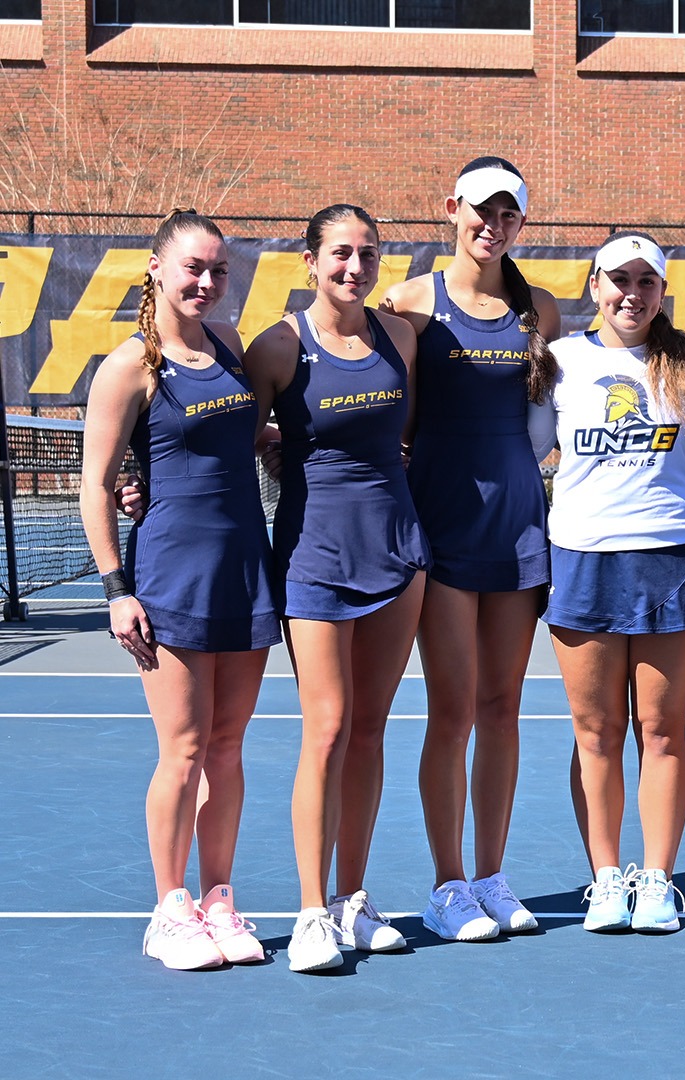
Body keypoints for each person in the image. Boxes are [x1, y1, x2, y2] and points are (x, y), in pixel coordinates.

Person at [80, 209, 278, 970]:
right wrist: (115, 590)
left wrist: (278, 441)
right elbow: (96, 486)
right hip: (170, 574)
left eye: (218, 270)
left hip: (245, 571)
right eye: (193, 267)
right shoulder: (130, 365)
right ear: (156, 269)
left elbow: (238, 441)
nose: (206, 282)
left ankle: (218, 899)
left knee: (227, 749)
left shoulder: (228, 348)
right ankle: (169, 908)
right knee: (185, 749)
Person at [381, 156, 560, 942]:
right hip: (442, 526)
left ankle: (492, 875)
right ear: (450, 208)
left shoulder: (541, 310)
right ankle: (447, 883)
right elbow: (380, 409)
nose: (493, 225)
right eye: (480, 210)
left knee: (503, 709)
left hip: (520, 528)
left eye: (509, 214)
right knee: (452, 710)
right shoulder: (411, 304)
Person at [247, 205, 430, 972]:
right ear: (310, 261)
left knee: (368, 731)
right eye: (340, 254)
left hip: (398, 548)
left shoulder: (403, 336)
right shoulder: (279, 347)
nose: (355, 268)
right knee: (324, 730)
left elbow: (408, 433)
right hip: (314, 556)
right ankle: (312, 910)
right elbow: (233, 441)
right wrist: (140, 491)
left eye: (368, 254)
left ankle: (355, 900)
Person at [530, 234, 685, 936]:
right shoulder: (560, 363)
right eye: (619, 279)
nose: (631, 293)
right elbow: (523, 450)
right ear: (594, 284)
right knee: (596, 732)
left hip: (674, 560)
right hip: (583, 560)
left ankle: (658, 879)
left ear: (662, 291)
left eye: (647, 281)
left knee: (662, 732)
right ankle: (607, 877)